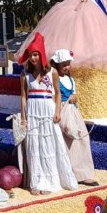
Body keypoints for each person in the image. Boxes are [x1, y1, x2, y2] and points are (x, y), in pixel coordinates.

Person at [18, 33, 77, 195]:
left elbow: (57, 93)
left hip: (47, 111)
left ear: (41, 54)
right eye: (31, 55)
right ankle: (36, 182)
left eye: (36, 54)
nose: (33, 58)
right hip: (32, 111)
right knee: (34, 146)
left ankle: (50, 181)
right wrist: (23, 117)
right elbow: (23, 97)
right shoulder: (24, 75)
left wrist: (57, 111)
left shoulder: (52, 73)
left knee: (49, 144)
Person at [50, 48, 97, 186]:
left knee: (81, 138)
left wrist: (74, 98)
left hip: (72, 112)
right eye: (63, 64)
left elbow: (75, 94)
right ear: (57, 64)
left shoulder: (70, 79)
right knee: (66, 141)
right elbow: (54, 96)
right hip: (61, 111)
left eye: (68, 64)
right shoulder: (54, 78)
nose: (66, 67)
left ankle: (84, 173)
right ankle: (69, 172)